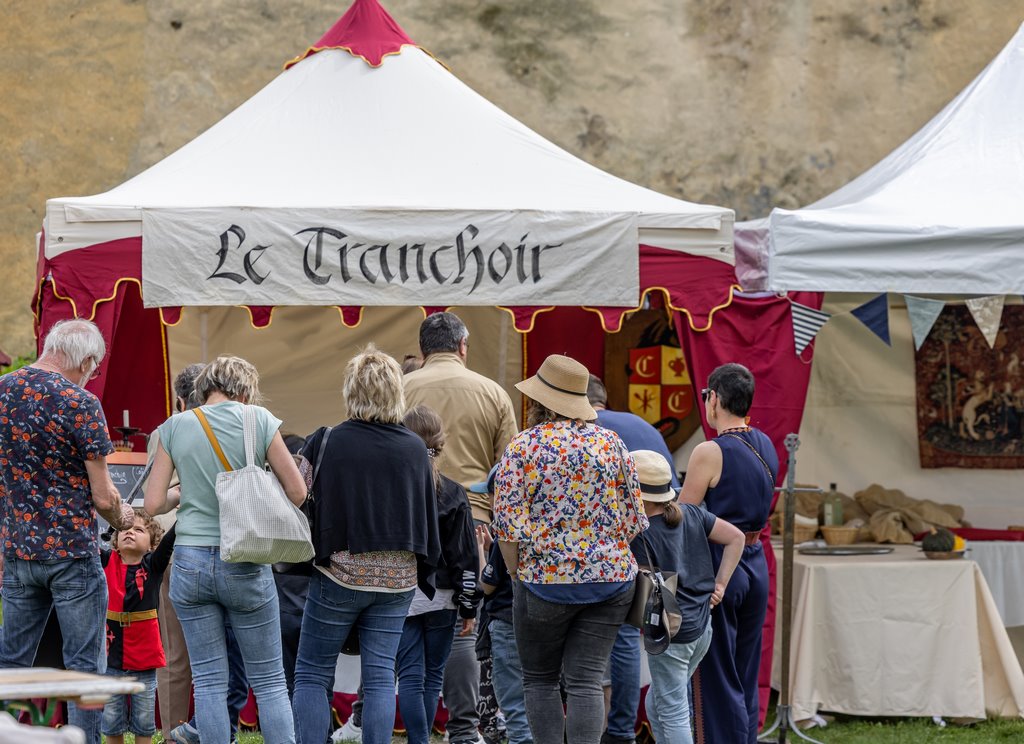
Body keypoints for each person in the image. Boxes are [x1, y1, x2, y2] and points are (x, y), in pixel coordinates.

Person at [144, 355, 305, 744]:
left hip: (189, 561)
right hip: (246, 558)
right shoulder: (259, 420)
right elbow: (298, 493)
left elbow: (151, 505)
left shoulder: (174, 427)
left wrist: (183, 494)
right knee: (269, 681)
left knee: (209, 680)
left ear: (204, 388)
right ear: (246, 390)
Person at [494, 354, 648, 744]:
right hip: (611, 582)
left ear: (540, 401)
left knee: (541, 679)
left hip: (542, 581)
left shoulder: (523, 447)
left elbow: (508, 530)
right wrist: (598, 553)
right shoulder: (612, 444)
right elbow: (634, 520)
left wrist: (515, 573)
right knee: (587, 681)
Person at [292, 347, 441, 744]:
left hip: (338, 573)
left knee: (311, 671)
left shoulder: (327, 440)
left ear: (350, 390)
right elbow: (425, 515)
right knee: (378, 678)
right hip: (397, 580)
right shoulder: (414, 448)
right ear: (397, 392)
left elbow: (295, 494)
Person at [0, 318, 135, 744]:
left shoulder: (2, 390)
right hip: (72, 554)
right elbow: (103, 496)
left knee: (12, 664)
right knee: (83, 667)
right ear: (88, 360)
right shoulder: (80, 403)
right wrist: (124, 519)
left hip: (18, 549)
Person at [404, 312, 518, 744]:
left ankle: (407, 722)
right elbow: (510, 472)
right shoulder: (493, 393)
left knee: (401, 621)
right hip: (474, 523)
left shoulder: (402, 388)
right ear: (463, 346)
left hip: (409, 522)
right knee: (463, 628)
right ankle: (465, 728)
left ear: (426, 347)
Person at [679, 363, 778, 744]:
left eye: (707, 395)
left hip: (722, 565)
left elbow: (685, 519)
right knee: (745, 670)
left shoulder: (709, 451)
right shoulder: (766, 442)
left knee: (716, 675)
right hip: (756, 563)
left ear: (714, 399)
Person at [586, 374, 679, 744]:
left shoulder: (591, 431)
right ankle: (625, 725)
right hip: (658, 538)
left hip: (615, 542)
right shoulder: (642, 425)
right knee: (635, 632)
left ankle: (618, 728)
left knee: (621, 633)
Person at [628, 450, 744, 744]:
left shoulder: (641, 536)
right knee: (659, 702)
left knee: (673, 711)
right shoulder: (691, 513)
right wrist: (720, 584)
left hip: (671, 634)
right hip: (702, 628)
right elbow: (736, 538)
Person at [396, 405, 480, 744]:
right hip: (444, 597)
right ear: (440, 445)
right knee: (432, 678)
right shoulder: (455, 493)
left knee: (411, 678)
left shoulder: (394, 492)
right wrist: (469, 606)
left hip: (400, 592)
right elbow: (466, 558)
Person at [155, 363, 203, 739]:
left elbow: (153, 501)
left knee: (173, 654)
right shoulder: (237, 425)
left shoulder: (165, 430)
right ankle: (217, 727)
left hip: (174, 549)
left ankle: (173, 732)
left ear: (179, 399)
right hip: (224, 550)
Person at [102, 510, 177, 744]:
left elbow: (170, 541)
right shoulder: (106, 561)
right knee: (112, 717)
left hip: (144, 655)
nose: (130, 533)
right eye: (124, 529)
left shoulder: (153, 564)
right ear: (115, 539)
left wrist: (185, 511)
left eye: (139, 530)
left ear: (152, 544)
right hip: (110, 655)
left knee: (144, 721)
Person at [472, 471, 531, 744]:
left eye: (491, 493)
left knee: (514, 703)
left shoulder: (507, 526)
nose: (488, 499)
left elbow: (487, 585)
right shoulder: (537, 522)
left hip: (506, 622)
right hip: (536, 620)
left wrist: (482, 552)